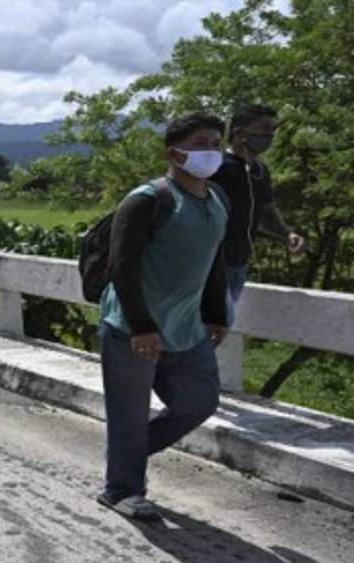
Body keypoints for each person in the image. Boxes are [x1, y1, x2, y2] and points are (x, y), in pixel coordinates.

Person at [97, 112, 230, 521]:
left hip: (186, 328)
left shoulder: (217, 199)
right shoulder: (147, 200)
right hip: (132, 329)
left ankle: (128, 449)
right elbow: (121, 265)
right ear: (174, 152)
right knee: (129, 414)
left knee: (199, 401)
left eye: (215, 142)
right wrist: (141, 327)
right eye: (202, 143)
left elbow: (214, 260)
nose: (212, 151)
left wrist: (216, 313)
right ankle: (122, 489)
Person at [210, 104, 306, 324]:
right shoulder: (217, 168)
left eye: (273, 129)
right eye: (264, 128)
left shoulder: (261, 171)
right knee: (211, 326)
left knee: (219, 329)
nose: (270, 135)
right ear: (238, 131)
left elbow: (266, 213)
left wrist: (287, 235)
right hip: (210, 267)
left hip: (238, 266)